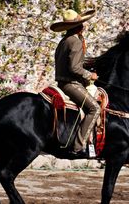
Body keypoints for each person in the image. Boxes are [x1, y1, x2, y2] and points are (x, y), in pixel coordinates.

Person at [50, 9, 100, 157]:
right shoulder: (76, 41)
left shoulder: (64, 41)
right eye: (82, 24)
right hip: (71, 84)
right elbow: (74, 68)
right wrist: (90, 74)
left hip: (61, 83)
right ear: (79, 26)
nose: (83, 26)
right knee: (95, 109)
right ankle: (78, 147)